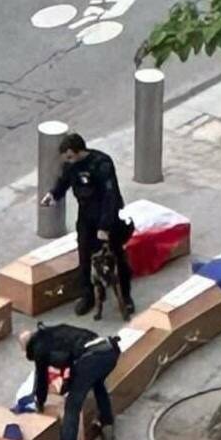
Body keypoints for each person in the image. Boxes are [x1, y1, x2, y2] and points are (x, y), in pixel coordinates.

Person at [40, 133, 134, 317]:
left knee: (116, 257)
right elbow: (64, 181)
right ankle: (87, 295)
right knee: (84, 257)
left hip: (106, 216)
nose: (69, 161)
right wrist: (53, 195)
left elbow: (110, 196)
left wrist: (105, 227)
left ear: (77, 151)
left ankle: (126, 296)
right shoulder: (71, 165)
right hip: (86, 217)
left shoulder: (101, 164)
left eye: (69, 157)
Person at [19, 324, 120, 440]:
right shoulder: (57, 331)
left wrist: (39, 403)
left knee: (72, 405)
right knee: (98, 384)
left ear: (28, 347)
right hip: (110, 350)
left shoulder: (39, 348)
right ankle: (107, 427)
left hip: (90, 358)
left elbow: (42, 380)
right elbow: (71, 359)